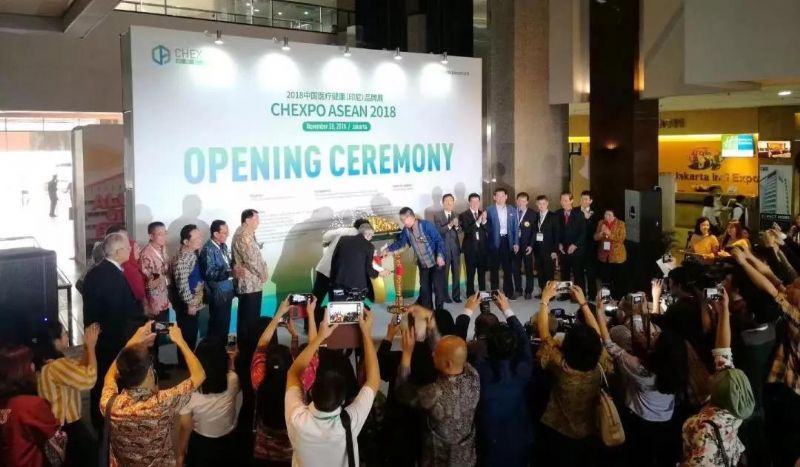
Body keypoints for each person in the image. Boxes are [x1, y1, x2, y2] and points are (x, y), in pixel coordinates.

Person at [595, 289, 688, 467]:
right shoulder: (677, 365)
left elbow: (610, 345)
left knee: (639, 459)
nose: (654, 333)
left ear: (659, 350)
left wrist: (599, 312)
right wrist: (644, 313)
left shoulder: (641, 369)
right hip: (667, 421)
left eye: (656, 336)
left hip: (640, 422)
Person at [100, 322, 206, 467]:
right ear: (150, 372)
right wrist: (180, 341)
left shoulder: (109, 403)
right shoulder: (162, 402)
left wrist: (132, 342)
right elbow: (199, 374)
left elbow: (109, 376)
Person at [285, 307, 380, 467]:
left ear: (311, 391)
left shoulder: (297, 420)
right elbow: (374, 381)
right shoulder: (350, 421)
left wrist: (319, 338)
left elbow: (293, 373)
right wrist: (366, 332)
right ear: (343, 400)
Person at [731, 247, 800, 465]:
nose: (791, 286)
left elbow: (771, 290)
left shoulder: (797, 316)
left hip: (792, 392)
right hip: (785, 387)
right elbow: (772, 277)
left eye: (796, 287)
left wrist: (743, 263)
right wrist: (749, 256)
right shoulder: (794, 302)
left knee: (784, 442)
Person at [536, 281, 609, 467]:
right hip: (589, 430)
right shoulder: (599, 362)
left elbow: (545, 337)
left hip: (558, 430)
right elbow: (598, 337)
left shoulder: (562, 366)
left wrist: (544, 300)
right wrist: (584, 304)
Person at [680, 287, 755, 467]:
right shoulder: (736, 401)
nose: (711, 376)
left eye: (715, 378)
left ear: (718, 393)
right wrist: (724, 311)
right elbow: (723, 348)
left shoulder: (705, 428)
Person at [464, 291, 533, 466]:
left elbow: (454, 351)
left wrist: (467, 312)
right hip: (519, 443)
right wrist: (507, 310)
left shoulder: (477, 373)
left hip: (489, 447)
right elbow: (524, 342)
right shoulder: (522, 370)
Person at [82, 232, 142, 430]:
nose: (130, 249)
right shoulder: (112, 277)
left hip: (100, 338)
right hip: (112, 340)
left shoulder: (97, 272)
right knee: (109, 381)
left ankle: (100, 420)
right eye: (127, 247)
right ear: (118, 252)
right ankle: (107, 423)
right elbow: (119, 313)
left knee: (100, 381)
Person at [395, 329, 480, 466]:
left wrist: (407, 354)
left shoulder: (434, 393)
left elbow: (401, 391)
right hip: (466, 458)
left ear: (448, 364)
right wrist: (432, 327)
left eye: (436, 353)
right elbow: (455, 355)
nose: (432, 354)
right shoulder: (474, 377)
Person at [35, 322, 100, 467]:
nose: (67, 336)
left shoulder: (46, 365)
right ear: (55, 341)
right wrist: (91, 347)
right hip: (68, 427)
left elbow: (80, 370)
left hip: (56, 427)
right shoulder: (56, 366)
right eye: (64, 334)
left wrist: (86, 347)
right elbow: (89, 379)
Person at [252, 297, 305, 466]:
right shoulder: (297, 387)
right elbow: (303, 363)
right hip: (289, 455)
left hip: (263, 452)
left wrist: (278, 315)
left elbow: (261, 345)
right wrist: (295, 336)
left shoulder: (259, 379)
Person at [177, 338, 242, 467]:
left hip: (202, 444)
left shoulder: (189, 390)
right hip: (227, 440)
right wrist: (232, 361)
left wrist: (181, 454)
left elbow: (185, 426)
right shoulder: (233, 379)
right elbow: (237, 385)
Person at [0, 344, 60, 467]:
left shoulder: (7, 403)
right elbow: (57, 454)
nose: (33, 366)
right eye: (30, 363)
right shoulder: (31, 405)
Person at [383, 207, 446, 310]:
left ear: (412, 217)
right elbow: (400, 243)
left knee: (438, 290)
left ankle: (440, 313)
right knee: (425, 290)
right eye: (402, 220)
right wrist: (387, 249)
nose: (403, 222)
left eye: (405, 219)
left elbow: (439, 240)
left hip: (436, 263)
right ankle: (428, 313)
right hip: (423, 265)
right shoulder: (406, 230)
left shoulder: (426, 225)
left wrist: (440, 255)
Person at [232, 209, 269, 360]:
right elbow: (252, 260)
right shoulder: (243, 236)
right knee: (249, 320)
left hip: (252, 284)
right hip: (249, 285)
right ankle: (248, 352)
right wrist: (262, 273)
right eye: (256, 219)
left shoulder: (247, 234)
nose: (258, 222)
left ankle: (247, 350)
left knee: (248, 319)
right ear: (247, 220)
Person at [139, 221, 171, 375]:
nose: (163, 237)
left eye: (165, 233)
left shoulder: (163, 249)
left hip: (164, 298)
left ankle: (167, 364)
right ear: (151, 236)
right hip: (155, 302)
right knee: (159, 334)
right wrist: (151, 304)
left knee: (165, 332)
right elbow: (148, 282)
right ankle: (160, 369)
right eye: (160, 234)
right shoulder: (146, 254)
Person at [331, 222, 390, 301]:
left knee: (338, 307)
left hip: (338, 282)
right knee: (355, 307)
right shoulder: (369, 246)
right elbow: (368, 269)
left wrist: (333, 280)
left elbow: (334, 260)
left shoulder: (343, 239)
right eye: (371, 236)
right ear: (368, 235)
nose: (371, 238)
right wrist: (379, 273)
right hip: (356, 287)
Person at [171, 224, 205, 358]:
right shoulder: (182, 260)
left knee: (192, 335)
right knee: (187, 337)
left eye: (200, 236)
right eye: (196, 238)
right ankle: (184, 365)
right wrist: (190, 304)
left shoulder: (192, 253)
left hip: (194, 303)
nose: (200, 240)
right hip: (187, 307)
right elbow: (182, 285)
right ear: (186, 242)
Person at [200, 220, 237, 340]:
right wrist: (230, 273)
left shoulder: (223, 246)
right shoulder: (208, 249)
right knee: (218, 325)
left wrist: (235, 267)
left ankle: (223, 347)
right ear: (216, 234)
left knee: (225, 323)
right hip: (218, 293)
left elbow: (227, 264)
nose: (228, 235)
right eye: (225, 233)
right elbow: (209, 274)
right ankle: (216, 348)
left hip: (227, 290)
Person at [312, 220, 362, 305]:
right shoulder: (361, 239)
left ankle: (311, 313)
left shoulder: (344, 230)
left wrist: (327, 242)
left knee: (316, 298)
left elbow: (326, 236)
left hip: (324, 270)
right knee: (336, 303)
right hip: (338, 276)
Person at [486, 187, 520, 298]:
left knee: (507, 268)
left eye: (502, 196)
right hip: (494, 242)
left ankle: (509, 292)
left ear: (506, 197)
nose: (500, 198)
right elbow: (486, 227)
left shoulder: (512, 210)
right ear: (494, 197)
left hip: (507, 241)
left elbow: (516, 227)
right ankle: (494, 293)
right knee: (494, 268)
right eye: (498, 196)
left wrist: (516, 243)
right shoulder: (489, 210)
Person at [434, 193, 463, 303]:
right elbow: (438, 231)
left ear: (453, 202)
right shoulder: (438, 215)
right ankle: (445, 296)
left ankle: (456, 295)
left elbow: (460, 231)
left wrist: (457, 226)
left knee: (456, 274)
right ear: (443, 203)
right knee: (444, 275)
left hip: (455, 249)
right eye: (446, 201)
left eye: (451, 201)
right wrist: (450, 225)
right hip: (444, 249)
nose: (449, 203)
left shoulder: (456, 214)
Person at [557, 192, 587, 293]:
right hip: (563, 249)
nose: (563, 202)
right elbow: (556, 231)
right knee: (564, 272)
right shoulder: (558, 214)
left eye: (566, 200)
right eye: (562, 200)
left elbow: (583, 233)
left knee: (578, 273)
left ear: (571, 201)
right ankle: (565, 294)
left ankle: (578, 295)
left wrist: (575, 245)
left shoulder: (579, 214)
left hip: (576, 249)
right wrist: (559, 243)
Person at [594, 208, 628, 298]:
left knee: (618, 279)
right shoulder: (601, 223)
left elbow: (621, 239)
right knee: (606, 278)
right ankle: (607, 297)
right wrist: (601, 233)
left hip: (617, 256)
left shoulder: (621, 224)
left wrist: (609, 234)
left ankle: (618, 297)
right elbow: (595, 237)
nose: (607, 217)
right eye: (605, 214)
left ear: (614, 216)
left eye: (609, 215)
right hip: (604, 256)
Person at [460, 193, 488, 297]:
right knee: (470, 274)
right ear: (469, 202)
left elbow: (488, 229)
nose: (475, 204)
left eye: (477, 201)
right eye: (473, 201)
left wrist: (484, 221)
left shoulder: (483, 213)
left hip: (482, 249)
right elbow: (466, 230)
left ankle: (483, 295)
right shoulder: (463, 215)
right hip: (470, 250)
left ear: (479, 202)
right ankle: (470, 295)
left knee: (482, 274)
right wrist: (478, 221)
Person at [532, 195, 559, 298]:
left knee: (549, 272)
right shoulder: (536, 216)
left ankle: (550, 294)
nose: (541, 205)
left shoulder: (553, 216)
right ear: (537, 204)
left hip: (549, 250)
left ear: (547, 203)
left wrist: (555, 250)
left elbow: (556, 234)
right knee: (541, 272)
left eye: (543, 203)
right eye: (539, 204)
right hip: (538, 249)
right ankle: (543, 292)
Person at [514, 192, 537, 299]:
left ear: (527, 202)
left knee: (528, 269)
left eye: (523, 201)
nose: (521, 203)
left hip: (527, 246)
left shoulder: (533, 213)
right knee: (516, 268)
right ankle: (518, 290)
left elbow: (534, 232)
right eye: (519, 201)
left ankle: (528, 291)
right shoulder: (512, 212)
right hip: (516, 245)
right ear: (516, 201)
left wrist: (531, 245)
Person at [579, 190, 600, 298]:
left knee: (591, 272)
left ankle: (592, 294)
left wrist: (587, 219)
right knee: (578, 272)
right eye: (582, 198)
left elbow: (594, 231)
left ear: (590, 201)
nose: (583, 201)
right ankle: (580, 294)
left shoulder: (595, 213)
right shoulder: (575, 211)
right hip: (578, 246)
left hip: (590, 247)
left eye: (586, 199)